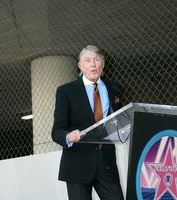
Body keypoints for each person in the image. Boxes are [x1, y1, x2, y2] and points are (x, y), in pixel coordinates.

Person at [52, 45, 124, 200]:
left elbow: (118, 118)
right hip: (77, 163)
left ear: (103, 64)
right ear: (80, 66)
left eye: (97, 60)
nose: (93, 64)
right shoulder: (66, 91)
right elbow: (56, 131)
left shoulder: (114, 88)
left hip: (107, 163)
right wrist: (68, 136)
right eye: (88, 60)